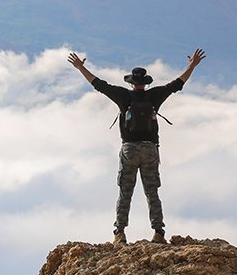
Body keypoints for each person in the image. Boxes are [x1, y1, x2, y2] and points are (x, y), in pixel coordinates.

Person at [68, 48, 206, 245]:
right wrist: (192, 65)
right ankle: (158, 233)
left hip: (129, 150)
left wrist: (81, 67)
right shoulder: (155, 96)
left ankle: (119, 233)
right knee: (152, 192)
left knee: (125, 192)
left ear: (131, 83)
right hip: (150, 150)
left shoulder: (123, 96)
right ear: (145, 83)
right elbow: (177, 83)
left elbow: (99, 84)